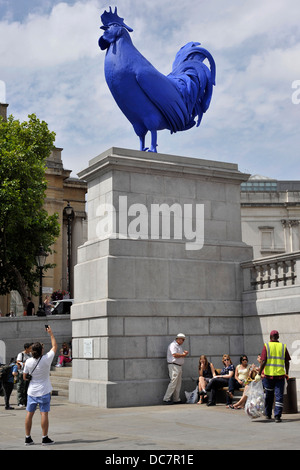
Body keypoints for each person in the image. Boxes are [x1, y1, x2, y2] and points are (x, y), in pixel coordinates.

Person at [23, 326, 57, 446]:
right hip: (44, 390)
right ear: (41, 351)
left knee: (29, 414)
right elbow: (54, 346)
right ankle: (44, 438)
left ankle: (27, 438)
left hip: (32, 391)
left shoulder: (28, 362)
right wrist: (50, 333)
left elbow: (25, 377)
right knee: (44, 413)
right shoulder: (46, 359)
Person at [256, 330, 290, 423]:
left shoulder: (267, 346)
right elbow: (287, 362)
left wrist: (259, 374)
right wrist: (287, 373)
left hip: (268, 376)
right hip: (280, 376)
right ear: (278, 337)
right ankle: (277, 416)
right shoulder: (283, 346)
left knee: (269, 395)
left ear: (270, 337)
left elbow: (263, 361)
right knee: (279, 396)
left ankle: (268, 414)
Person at [163, 333, 188, 404]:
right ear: (178, 339)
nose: (183, 341)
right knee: (173, 382)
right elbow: (174, 354)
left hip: (178, 366)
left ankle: (176, 399)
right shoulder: (173, 345)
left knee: (178, 383)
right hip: (174, 365)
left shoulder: (179, 346)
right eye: (182, 340)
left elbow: (177, 354)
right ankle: (166, 398)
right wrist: (183, 354)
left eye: (183, 340)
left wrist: (183, 354)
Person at [16, 343, 33, 408]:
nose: (31, 349)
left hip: (28, 373)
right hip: (21, 373)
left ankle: (26, 401)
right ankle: (20, 402)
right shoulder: (21, 354)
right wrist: (26, 363)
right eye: (30, 348)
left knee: (27, 388)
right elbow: (18, 363)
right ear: (26, 348)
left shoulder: (30, 354)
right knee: (20, 388)